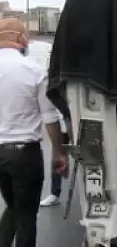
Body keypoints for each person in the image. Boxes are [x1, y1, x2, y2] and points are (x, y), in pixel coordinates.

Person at [0, 18, 68, 247]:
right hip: (24, 153)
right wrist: (59, 152)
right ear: (20, 37)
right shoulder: (33, 70)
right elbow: (50, 117)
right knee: (27, 215)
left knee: (13, 207)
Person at [25, 39, 72, 207]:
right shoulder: (47, 75)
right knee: (57, 152)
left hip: (70, 116)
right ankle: (55, 192)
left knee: (80, 153)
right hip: (59, 117)